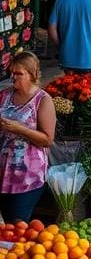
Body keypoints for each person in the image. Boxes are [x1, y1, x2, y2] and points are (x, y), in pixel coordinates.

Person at [0, 52, 55, 223]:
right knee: (6, 227)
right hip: (2, 173)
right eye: (12, 73)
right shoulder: (4, 95)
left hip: (27, 177)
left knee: (18, 224)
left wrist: (19, 129)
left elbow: (47, 139)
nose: (13, 77)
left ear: (32, 74)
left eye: (18, 73)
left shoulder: (43, 100)